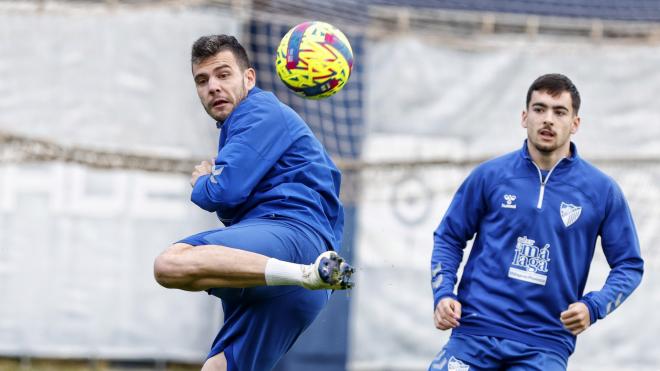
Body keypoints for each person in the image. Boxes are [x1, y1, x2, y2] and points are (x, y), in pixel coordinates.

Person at [153, 35, 353, 371]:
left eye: (223, 74)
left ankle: (307, 273)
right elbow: (233, 208)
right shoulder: (240, 125)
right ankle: (311, 275)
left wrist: (202, 182)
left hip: (293, 242)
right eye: (202, 80)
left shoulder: (257, 110)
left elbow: (222, 193)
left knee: (171, 263)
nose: (213, 87)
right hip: (297, 283)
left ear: (249, 78)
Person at [428, 73, 644, 370]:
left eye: (559, 112)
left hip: (546, 344)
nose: (548, 120)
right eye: (539, 109)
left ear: (575, 124)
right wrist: (443, 295)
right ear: (524, 116)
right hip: (475, 333)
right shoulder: (490, 176)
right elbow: (449, 237)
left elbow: (629, 265)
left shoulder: (601, 191)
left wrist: (593, 307)